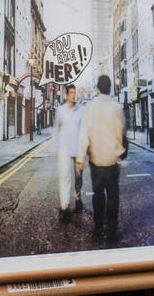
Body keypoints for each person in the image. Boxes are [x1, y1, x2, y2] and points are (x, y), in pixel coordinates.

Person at [76, 75, 125, 244]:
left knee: (98, 195)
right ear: (110, 88)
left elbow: (84, 134)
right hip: (112, 160)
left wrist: (80, 158)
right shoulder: (116, 107)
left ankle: (98, 227)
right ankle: (111, 229)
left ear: (97, 88)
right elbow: (120, 132)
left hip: (96, 160)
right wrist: (119, 152)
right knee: (113, 196)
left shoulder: (90, 107)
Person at [55, 84, 84, 223]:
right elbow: (57, 130)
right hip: (65, 150)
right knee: (65, 178)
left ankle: (77, 197)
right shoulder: (60, 111)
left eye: (74, 92)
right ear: (66, 95)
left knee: (78, 178)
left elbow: (85, 131)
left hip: (78, 150)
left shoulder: (81, 110)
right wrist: (56, 147)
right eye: (71, 92)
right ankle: (64, 207)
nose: (73, 95)